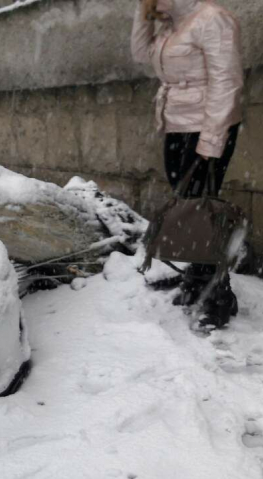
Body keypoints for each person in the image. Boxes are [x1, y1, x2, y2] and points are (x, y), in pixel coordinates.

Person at [131, 0, 244, 329]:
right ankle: (198, 278)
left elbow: (227, 81)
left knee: (204, 210)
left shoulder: (213, 18)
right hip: (176, 125)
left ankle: (219, 296)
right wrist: (143, 12)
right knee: (189, 207)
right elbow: (140, 53)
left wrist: (210, 140)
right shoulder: (169, 27)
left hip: (209, 125)